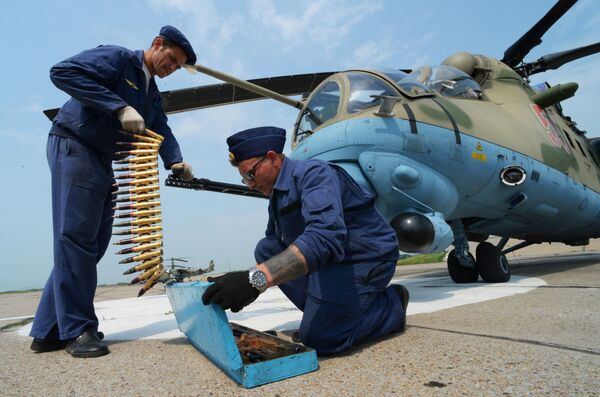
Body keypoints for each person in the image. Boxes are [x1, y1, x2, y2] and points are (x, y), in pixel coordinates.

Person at [30, 26, 197, 358]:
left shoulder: (151, 93)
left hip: (103, 159)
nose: (172, 68)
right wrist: (117, 106)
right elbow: (62, 72)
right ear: (157, 44)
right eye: (172, 59)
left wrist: (175, 161)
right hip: (75, 145)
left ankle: (48, 330)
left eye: (178, 67)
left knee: (94, 242)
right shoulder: (119, 59)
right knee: (75, 238)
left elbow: (160, 127)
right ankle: (78, 330)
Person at [202, 126, 410, 355]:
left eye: (250, 174)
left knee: (323, 339)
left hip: (365, 257)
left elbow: (325, 236)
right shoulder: (277, 197)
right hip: (333, 262)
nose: (250, 184)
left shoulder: (315, 175)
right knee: (266, 248)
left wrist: (256, 279)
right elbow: (275, 247)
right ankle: (325, 315)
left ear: (272, 158)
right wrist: (242, 281)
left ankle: (392, 306)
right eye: (244, 179)